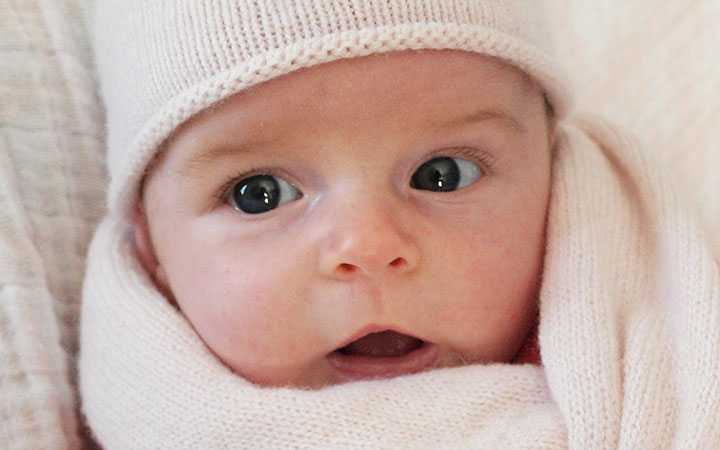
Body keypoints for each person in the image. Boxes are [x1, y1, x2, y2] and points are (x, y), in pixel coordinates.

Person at [80, 0, 720, 448]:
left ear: (554, 181)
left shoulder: (652, 372)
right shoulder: (137, 420)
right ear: (153, 250)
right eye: (259, 194)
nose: (369, 247)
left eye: (443, 174)